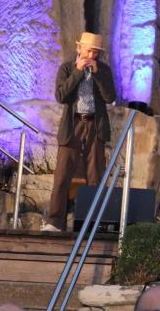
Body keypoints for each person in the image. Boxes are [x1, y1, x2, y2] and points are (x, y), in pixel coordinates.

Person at [42, 32, 116, 232]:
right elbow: (61, 95)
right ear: (79, 48)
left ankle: (92, 222)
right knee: (62, 174)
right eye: (89, 50)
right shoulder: (67, 68)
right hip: (73, 124)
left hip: (95, 125)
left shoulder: (104, 70)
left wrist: (97, 73)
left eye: (95, 52)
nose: (91, 54)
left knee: (95, 175)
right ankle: (55, 222)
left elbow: (110, 97)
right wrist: (78, 71)